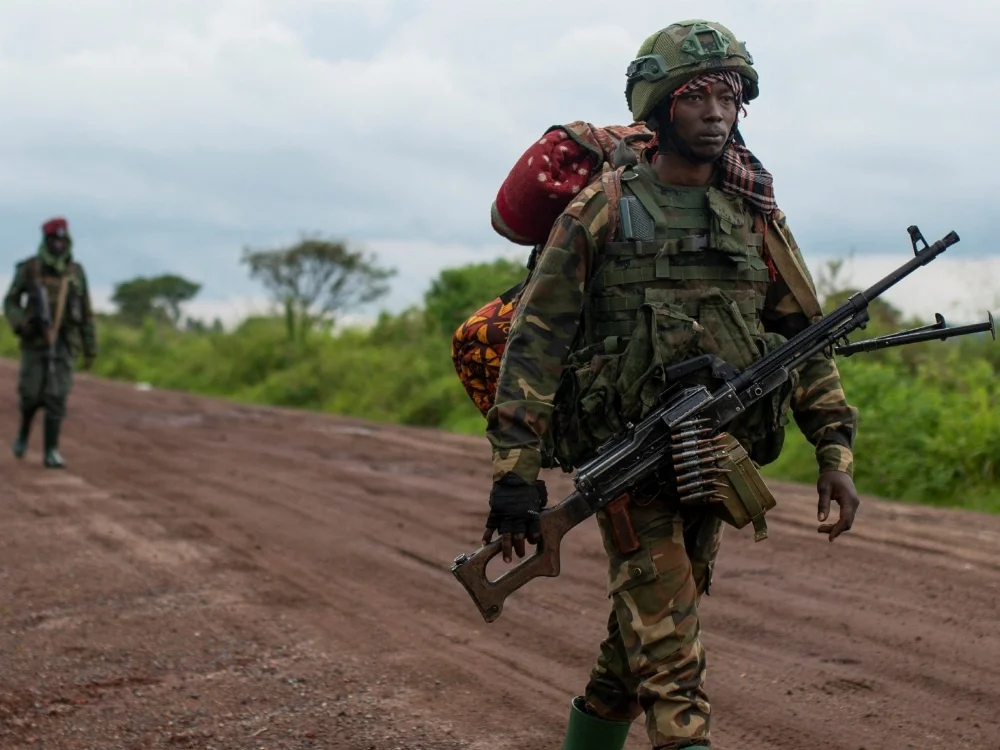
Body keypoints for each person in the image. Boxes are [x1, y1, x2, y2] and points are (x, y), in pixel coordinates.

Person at [482, 20, 860, 750]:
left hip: (713, 465)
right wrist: (515, 479)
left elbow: (802, 340)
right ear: (661, 106)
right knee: (673, 669)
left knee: (636, 655)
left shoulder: (751, 215)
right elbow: (535, 347)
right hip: (631, 471)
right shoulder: (601, 209)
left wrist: (834, 452)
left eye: (731, 97)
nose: (717, 113)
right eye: (698, 97)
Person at [4, 217, 97, 467]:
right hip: (35, 341)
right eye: (54, 240)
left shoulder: (75, 273)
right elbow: (10, 301)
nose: (58, 244)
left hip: (66, 341)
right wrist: (21, 324)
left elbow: (86, 311)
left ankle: (51, 451)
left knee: (57, 396)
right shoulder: (30, 269)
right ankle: (24, 433)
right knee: (31, 394)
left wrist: (90, 347)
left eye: (62, 240)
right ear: (46, 241)